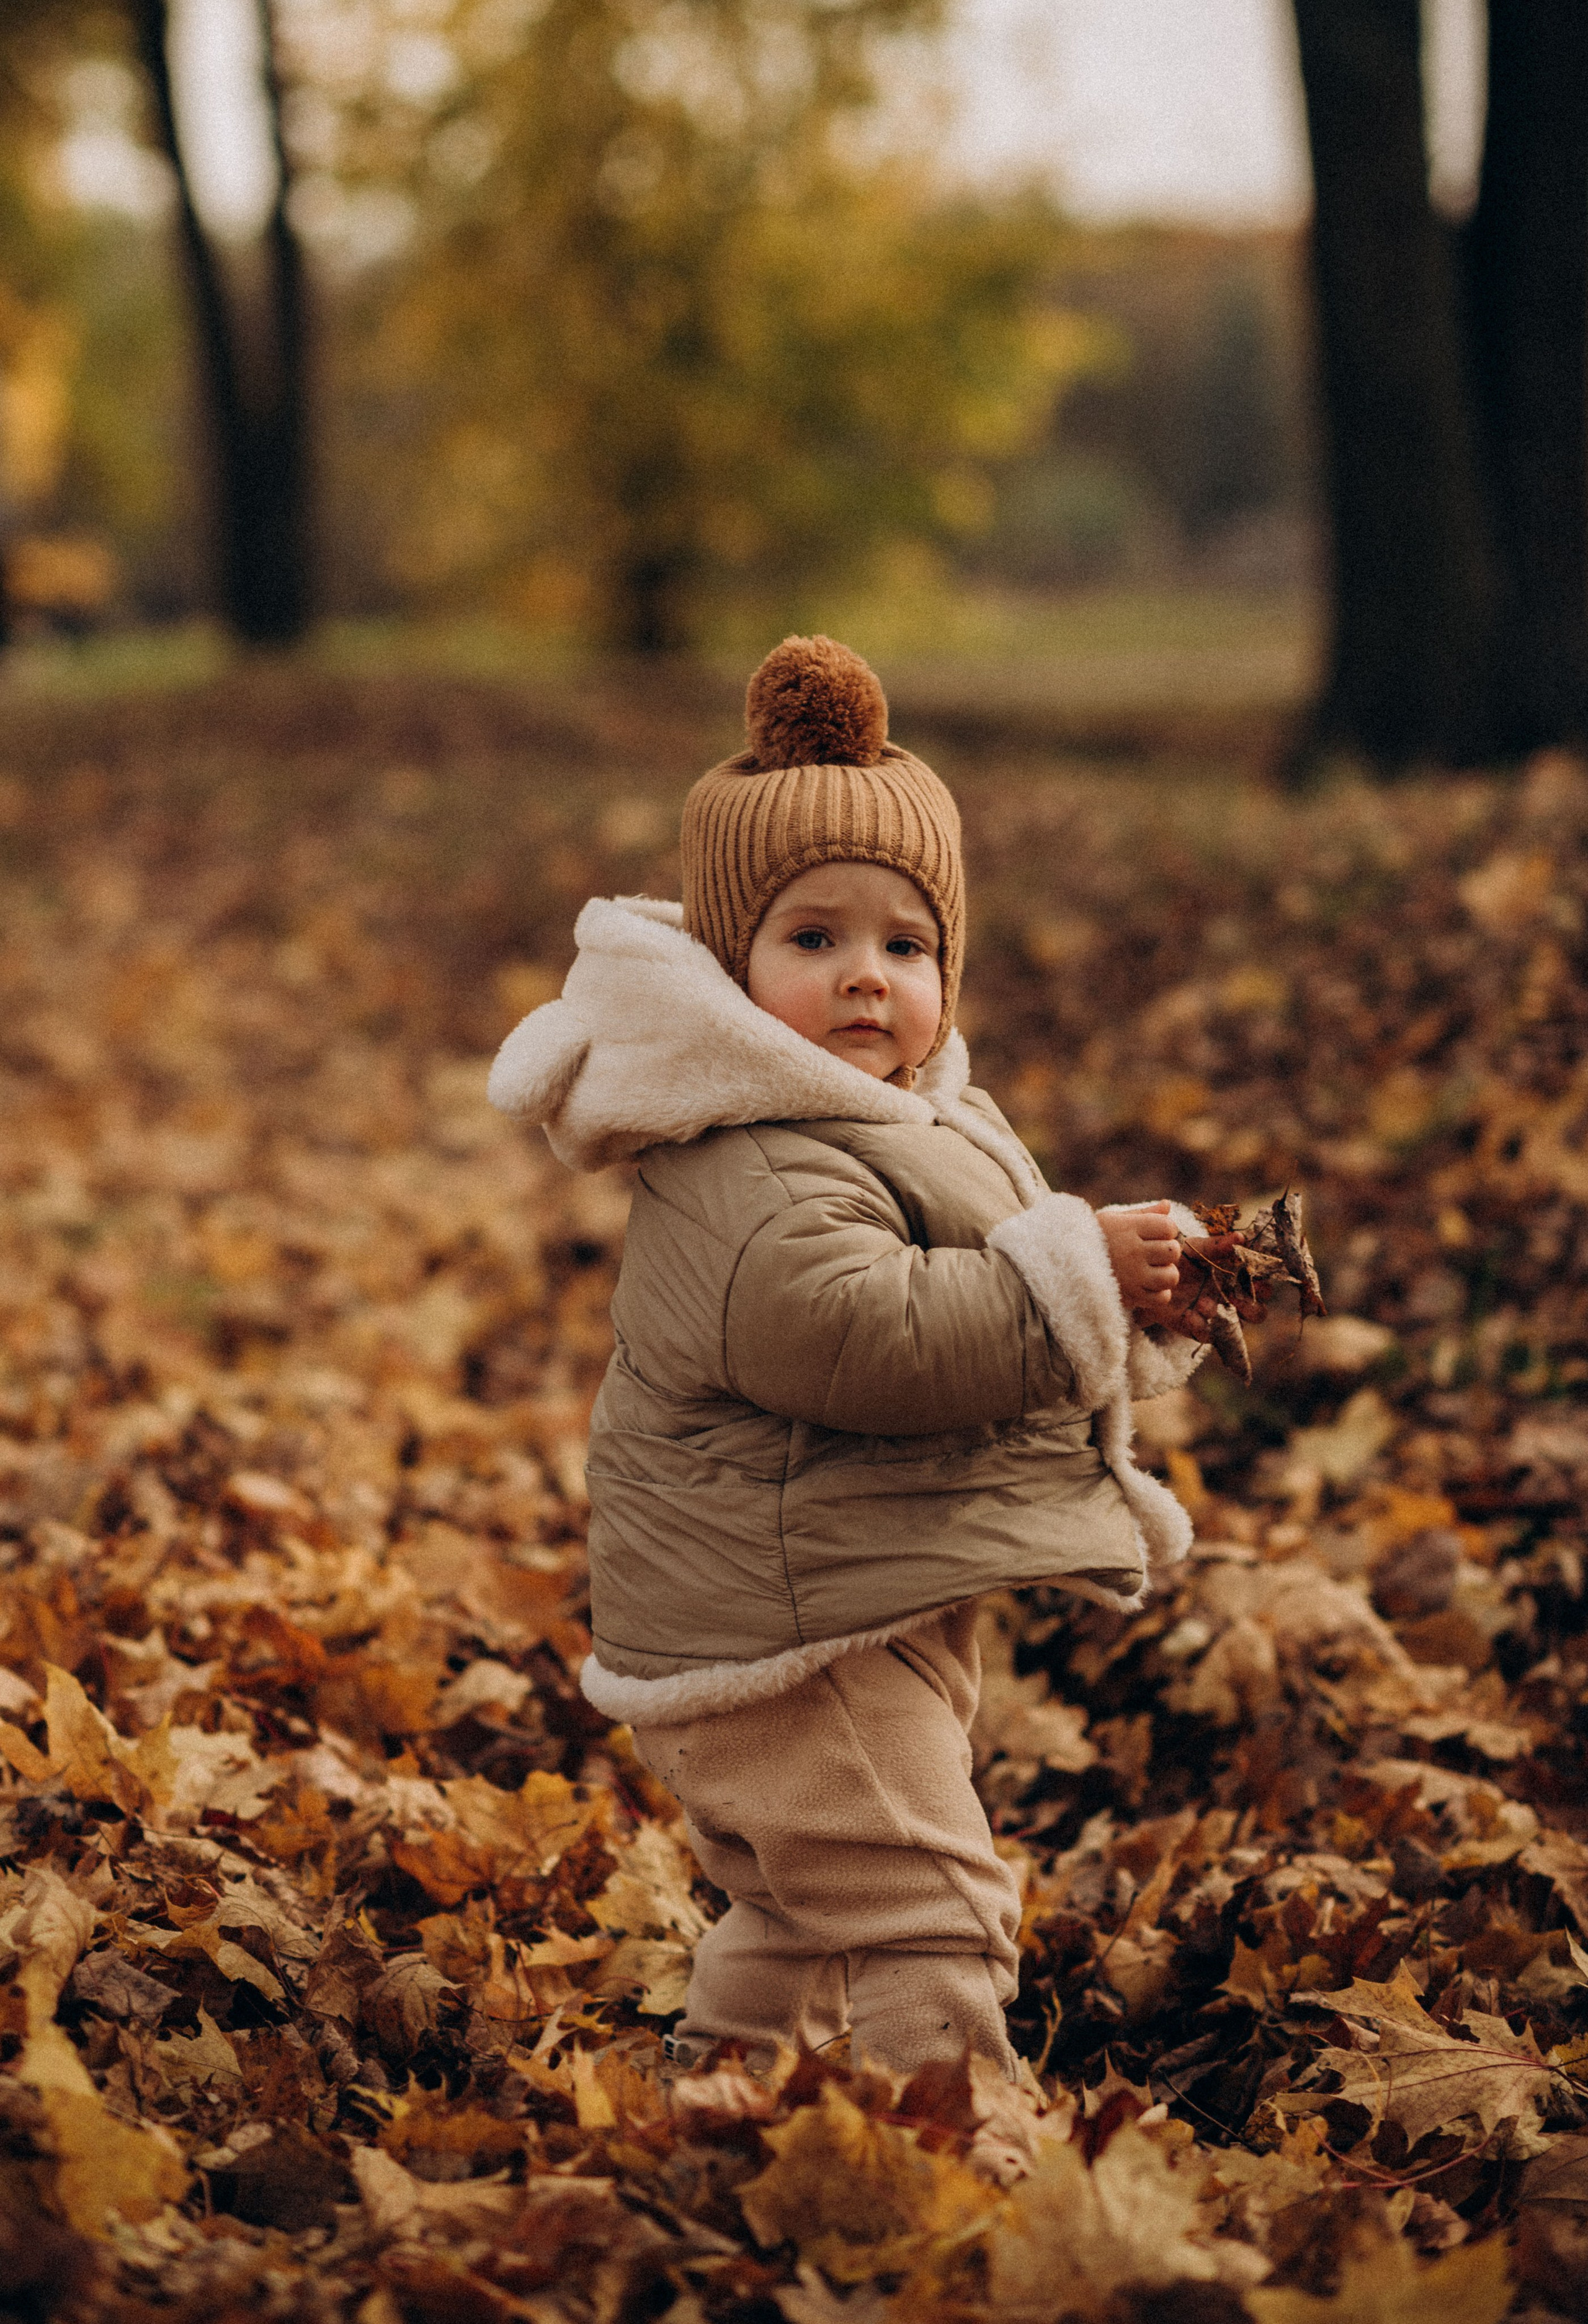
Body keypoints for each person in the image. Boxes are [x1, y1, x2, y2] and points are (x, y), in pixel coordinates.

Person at [488, 634, 1244, 2079]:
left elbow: (977, 1273)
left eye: (905, 946)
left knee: (795, 1905)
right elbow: (866, 1331)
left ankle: (723, 2099)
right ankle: (954, 2166)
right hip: (779, 1626)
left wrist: (1131, 1295)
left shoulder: (892, 1115)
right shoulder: (749, 1155)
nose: (863, 979)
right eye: (811, 938)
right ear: (727, 963)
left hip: (838, 1585)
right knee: (926, 1907)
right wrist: (1071, 1274)